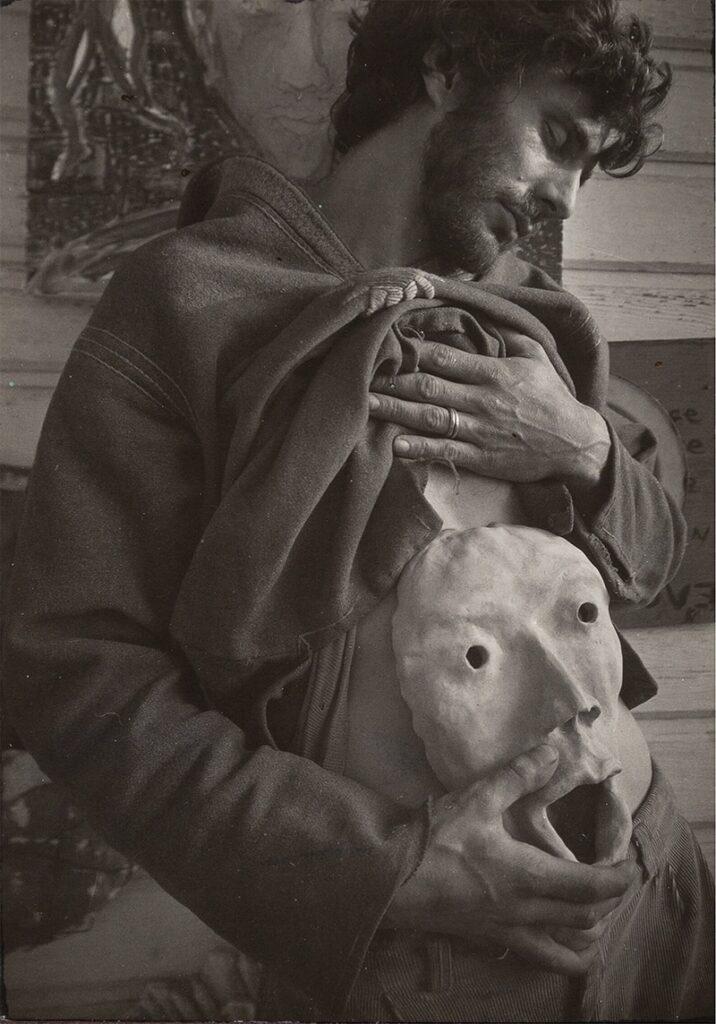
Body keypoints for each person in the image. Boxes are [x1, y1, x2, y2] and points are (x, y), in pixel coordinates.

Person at [4, 1, 712, 1021]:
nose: (563, 194)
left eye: (591, 168)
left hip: (662, 903)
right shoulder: (183, 302)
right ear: (444, 67)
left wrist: (582, 447)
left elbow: (651, 555)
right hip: (428, 957)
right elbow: (78, 677)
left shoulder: (535, 331)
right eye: (558, 138)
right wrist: (385, 871)